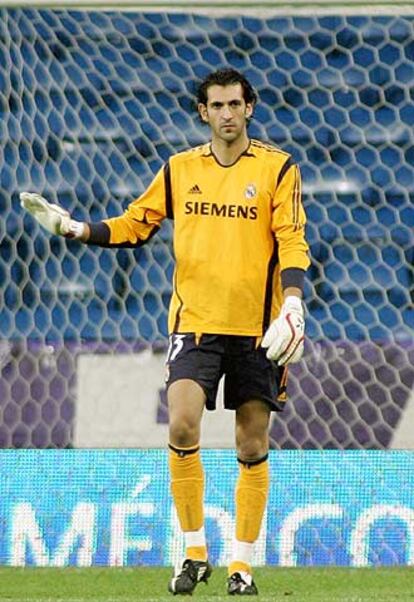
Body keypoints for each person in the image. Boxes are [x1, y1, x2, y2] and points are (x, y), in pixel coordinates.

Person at [20, 68, 309, 596]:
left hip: (257, 331)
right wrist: (75, 228)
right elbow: (136, 224)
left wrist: (292, 301)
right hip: (195, 325)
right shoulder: (179, 170)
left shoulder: (278, 168)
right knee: (181, 425)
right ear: (203, 112)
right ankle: (195, 552)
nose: (226, 114)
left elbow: (291, 239)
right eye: (216, 105)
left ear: (250, 108)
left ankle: (241, 565)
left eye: (234, 104)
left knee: (251, 441)